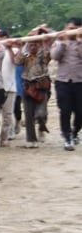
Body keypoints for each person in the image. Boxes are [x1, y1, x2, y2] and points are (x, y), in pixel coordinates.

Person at [14, 31, 53, 148]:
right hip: (27, 86)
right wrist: (21, 46)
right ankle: (31, 139)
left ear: (39, 45)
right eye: (30, 44)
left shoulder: (42, 56)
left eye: (35, 44)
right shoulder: (25, 56)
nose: (33, 46)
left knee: (41, 113)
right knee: (28, 114)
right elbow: (17, 61)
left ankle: (42, 127)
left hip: (41, 86)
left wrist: (45, 43)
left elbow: (47, 56)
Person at [50, 17, 82, 150]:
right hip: (63, 81)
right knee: (65, 110)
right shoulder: (58, 42)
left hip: (80, 81)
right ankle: (67, 137)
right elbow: (55, 56)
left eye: (75, 29)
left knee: (80, 111)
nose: (71, 32)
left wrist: (80, 42)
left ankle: (75, 132)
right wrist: (63, 43)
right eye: (70, 29)